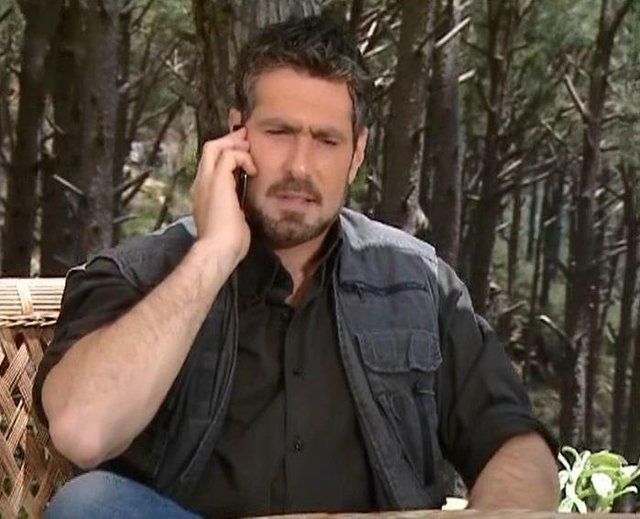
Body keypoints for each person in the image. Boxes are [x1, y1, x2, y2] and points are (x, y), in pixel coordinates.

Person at [34, 15, 559, 519]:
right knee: (90, 505)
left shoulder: (419, 283)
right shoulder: (140, 273)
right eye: (280, 132)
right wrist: (213, 254)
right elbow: (82, 431)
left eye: (326, 141)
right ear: (237, 135)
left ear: (357, 154)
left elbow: (514, 442)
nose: (300, 167)